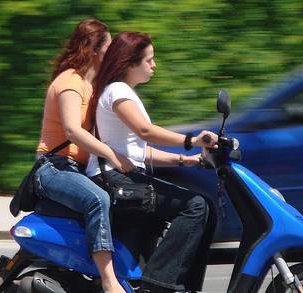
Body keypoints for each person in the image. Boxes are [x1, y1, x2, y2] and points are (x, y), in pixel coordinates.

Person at [86, 31, 218, 293]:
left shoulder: (121, 91)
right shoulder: (118, 91)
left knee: (204, 209)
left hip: (122, 177)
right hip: (115, 180)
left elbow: (139, 151)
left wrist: (185, 160)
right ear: (131, 63)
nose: (154, 65)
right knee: (196, 207)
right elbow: (145, 132)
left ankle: (168, 281)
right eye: (149, 60)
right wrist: (193, 140)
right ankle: (159, 285)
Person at [34, 19, 135, 293]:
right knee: (97, 199)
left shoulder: (93, 87)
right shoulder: (70, 82)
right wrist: (112, 155)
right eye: (109, 47)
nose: (112, 52)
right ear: (94, 50)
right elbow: (73, 131)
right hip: (53, 168)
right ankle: (109, 281)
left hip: (76, 168)